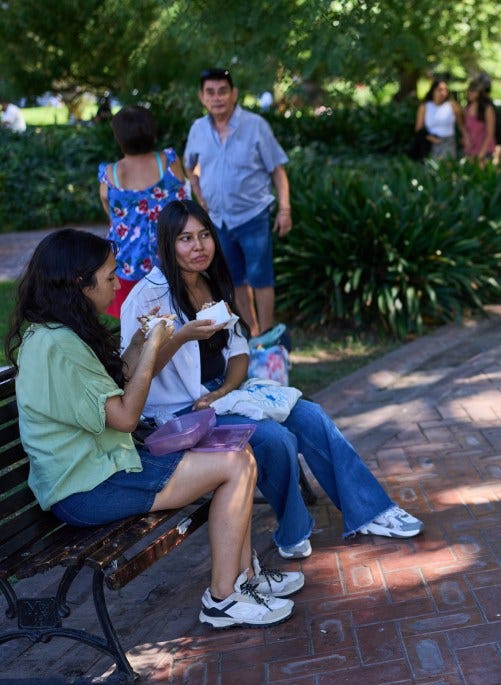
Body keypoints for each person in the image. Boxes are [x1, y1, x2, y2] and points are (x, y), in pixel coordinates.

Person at [4, 228, 302, 629]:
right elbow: (126, 415)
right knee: (235, 464)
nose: (116, 285)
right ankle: (222, 598)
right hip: (88, 486)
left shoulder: (57, 331)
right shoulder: (58, 346)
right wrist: (163, 339)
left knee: (238, 456)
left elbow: (116, 380)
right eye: (109, 278)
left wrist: (145, 338)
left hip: (102, 468)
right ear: (80, 283)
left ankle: (244, 580)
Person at [120, 200, 424, 561]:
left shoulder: (210, 282)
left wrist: (223, 390)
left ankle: (371, 510)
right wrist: (183, 336)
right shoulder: (146, 297)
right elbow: (136, 375)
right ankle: (293, 529)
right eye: (185, 238)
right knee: (272, 437)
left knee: (311, 416)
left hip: (221, 396)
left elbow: (239, 350)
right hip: (179, 416)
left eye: (204, 235)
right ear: (166, 244)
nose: (198, 246)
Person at [185, 67, 291, 336]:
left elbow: (277, 170)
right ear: (201, 97)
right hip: (218, 220)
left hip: (252, 216)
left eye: (223, 91)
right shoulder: (198, 129)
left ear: (234, 94)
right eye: (210, 92)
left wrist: (285, 209)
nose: (217, 98)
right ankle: (252, 333)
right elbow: (189, 167)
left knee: (261, 278)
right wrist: (199, 195)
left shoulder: (255, 125)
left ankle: (267, 336)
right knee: (235, 280)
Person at [98, 105, 188, 317]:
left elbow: (108, 208)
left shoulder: (111, 173)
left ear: (118, 137)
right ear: (151, 131)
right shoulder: (169, 162)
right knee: (176, 317)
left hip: (128, 261)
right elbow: (183, 192)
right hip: (170, 256)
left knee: (134, 321)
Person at [414, 79, 463, 160]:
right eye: (439, 90)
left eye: (445, 90)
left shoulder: (452, 105)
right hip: (431, 143)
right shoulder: (425, 106)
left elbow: (461, 125)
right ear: (433, 91)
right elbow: (418, 129)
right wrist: (431, 138)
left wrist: (466, 138)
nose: (442, 93)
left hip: (449, 142)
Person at [463, 77, 497, 164]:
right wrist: (466, 138)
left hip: (485, 151)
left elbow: (490, 134)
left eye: (473, 91)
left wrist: (481, 154)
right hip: (470, 150)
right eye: (469, 90)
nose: (469, 93)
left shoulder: (487, 109)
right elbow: (466, 129)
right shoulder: (467, 108)